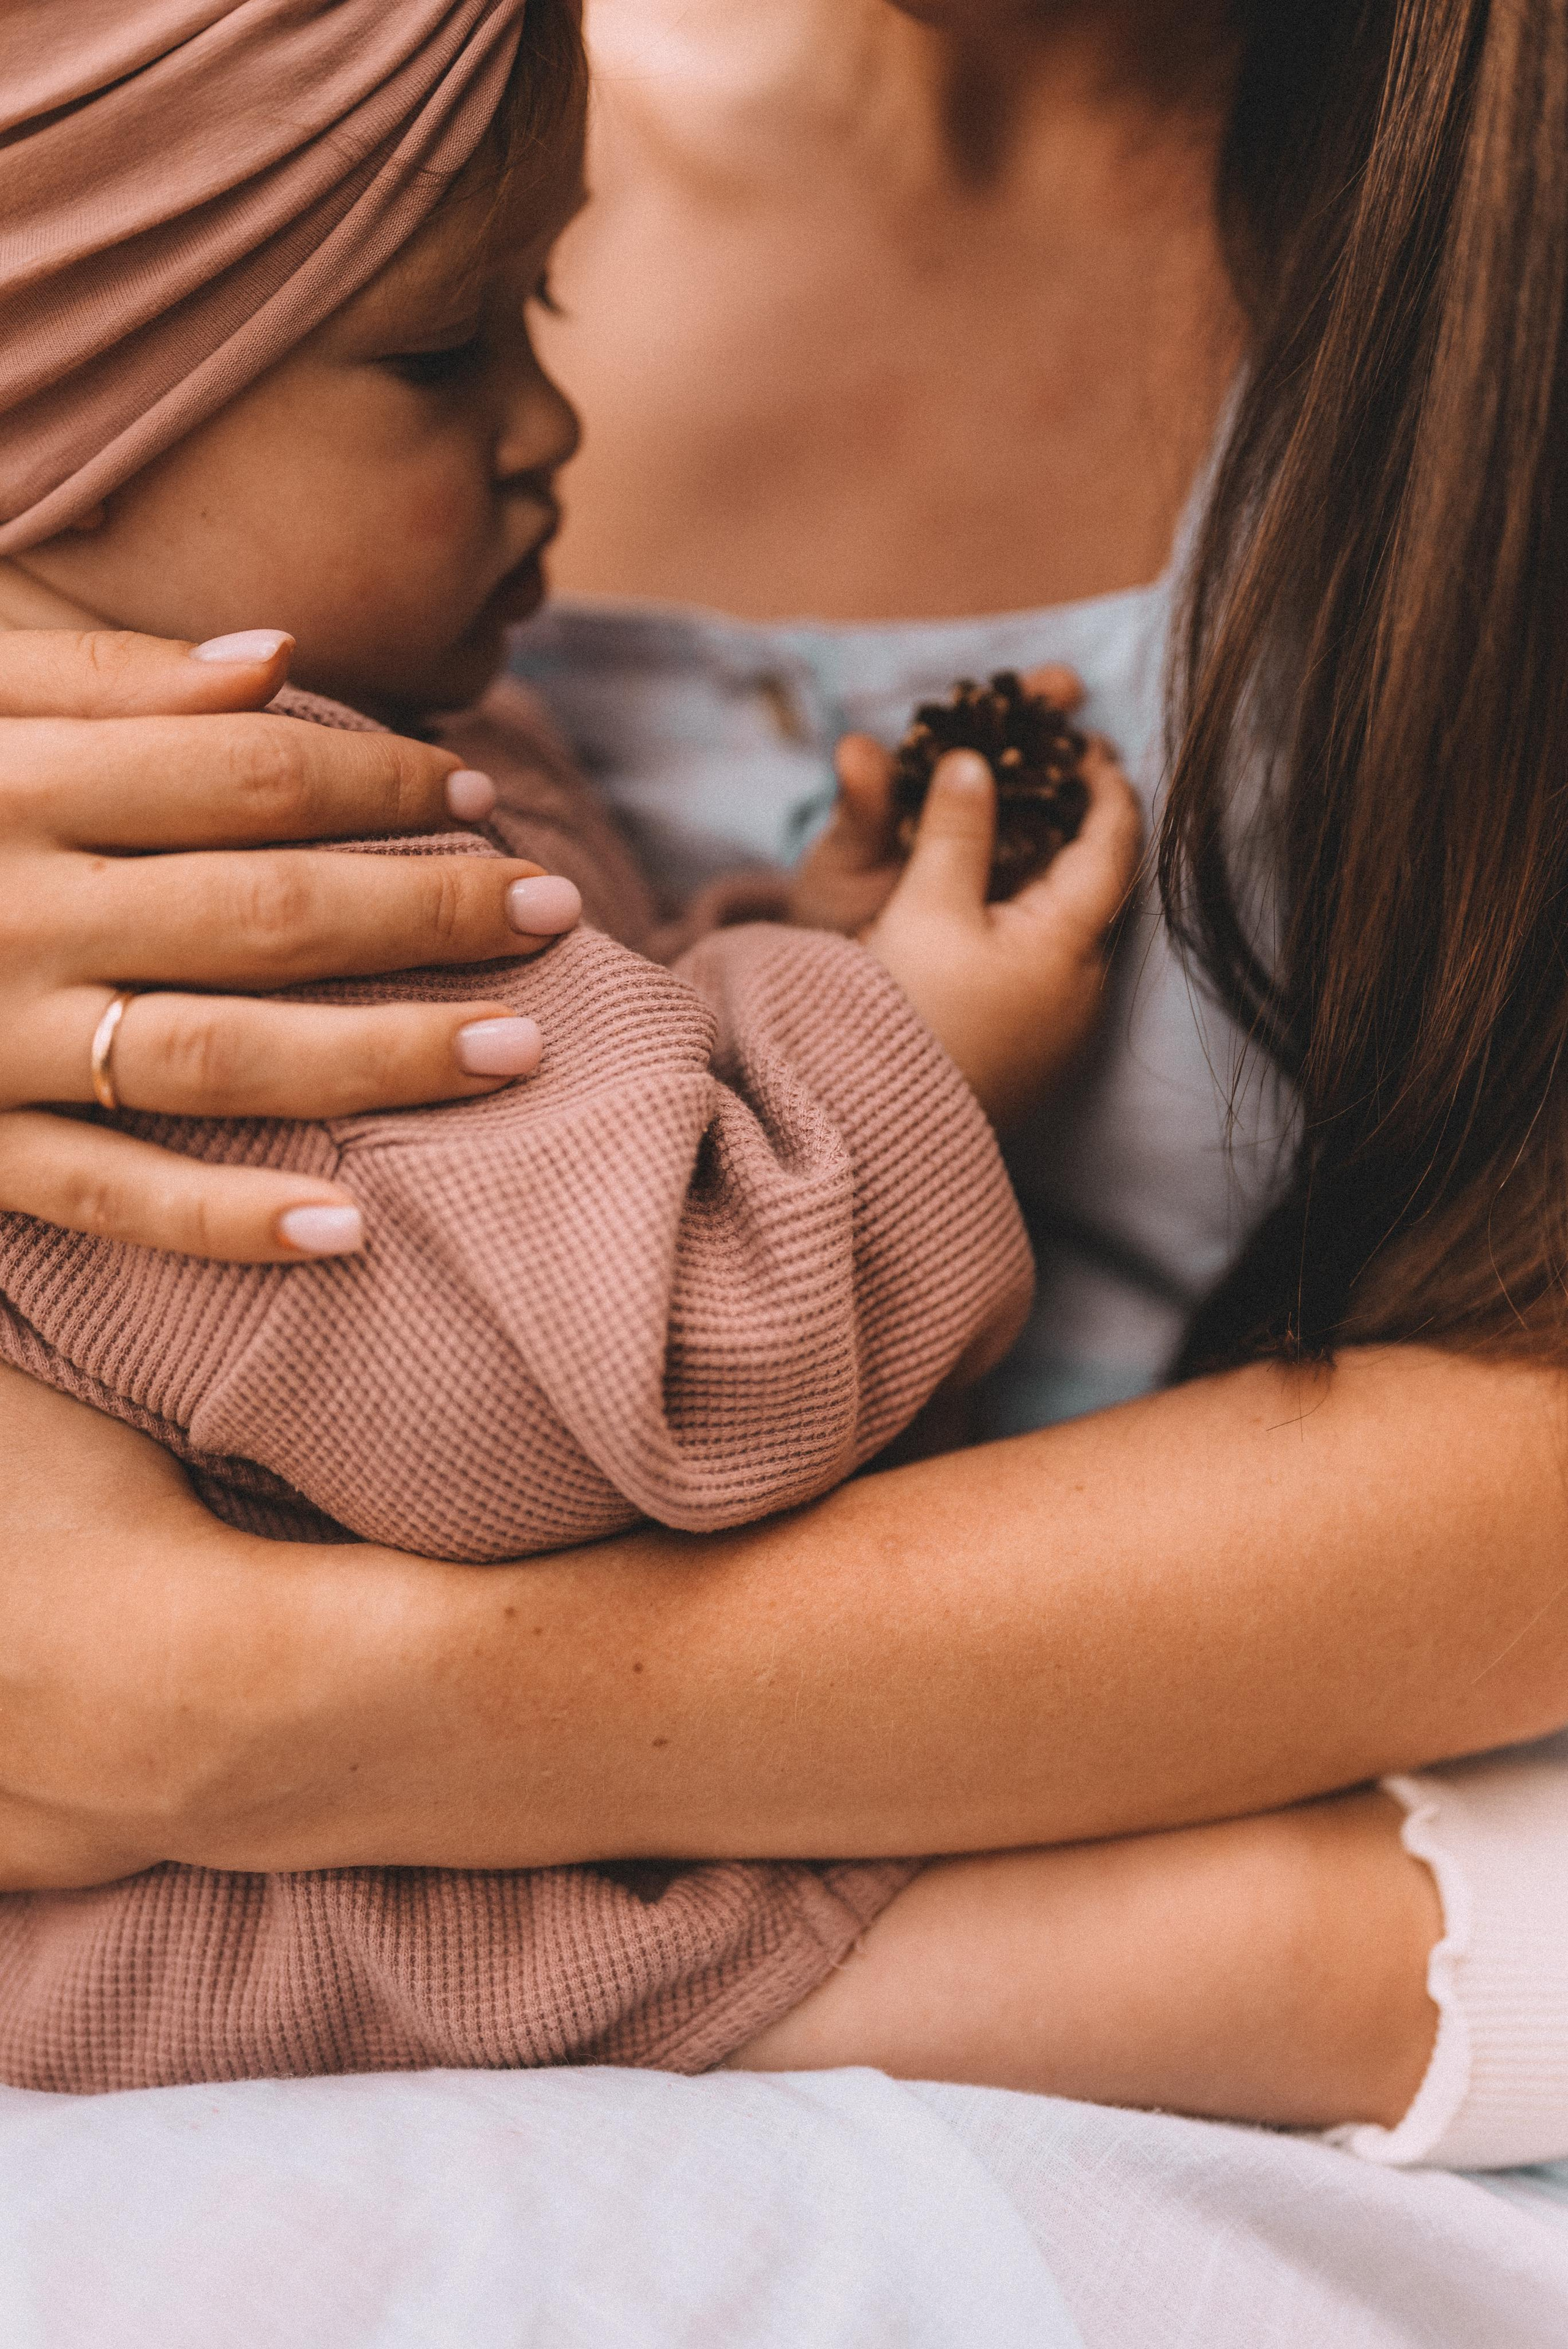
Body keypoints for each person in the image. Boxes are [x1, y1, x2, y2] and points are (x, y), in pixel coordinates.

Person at [1, 0, 1567, 2168]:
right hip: (247, 1977)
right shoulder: (223, 855)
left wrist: (253, 1697)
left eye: (533, 313)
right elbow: (651, 1350)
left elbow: (501, 1183)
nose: (554, 417)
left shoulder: (352, 575)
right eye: (457, 354)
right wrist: (885, 1045)